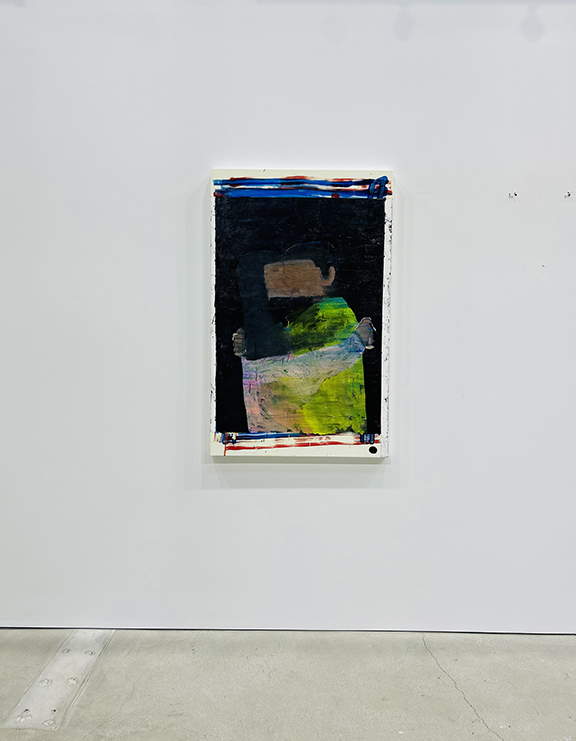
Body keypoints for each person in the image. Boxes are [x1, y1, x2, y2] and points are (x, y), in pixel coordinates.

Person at [233, 242, 374, 435]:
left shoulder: (332, 316)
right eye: (279, 275)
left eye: (296, 271)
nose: (285, 283)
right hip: (299, 431)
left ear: (328, 275)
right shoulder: (301, 321)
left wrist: (251, 359)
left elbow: (301, 374)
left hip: (323, 432)